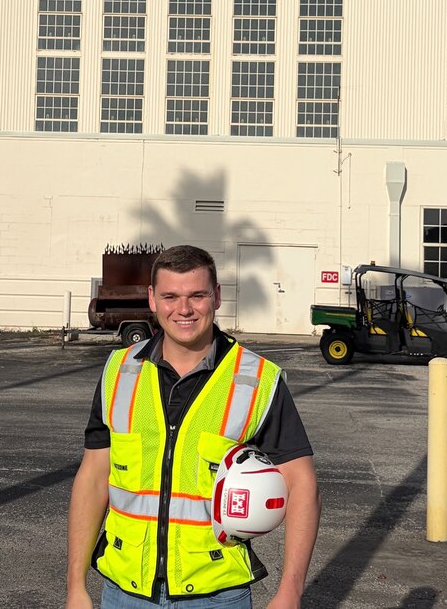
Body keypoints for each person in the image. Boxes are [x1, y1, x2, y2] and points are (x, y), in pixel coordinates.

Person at [66, 245, 320, 609]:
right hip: (123, 592)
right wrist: (75, 584)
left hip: (218, 595)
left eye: (197, 295)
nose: (183, 309)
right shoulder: (118, 373)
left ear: (216, 296)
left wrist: (290, 592)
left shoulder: (257, 380)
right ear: (152, 299)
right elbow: (92, 477)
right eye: (170, 296)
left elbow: (302, 485)